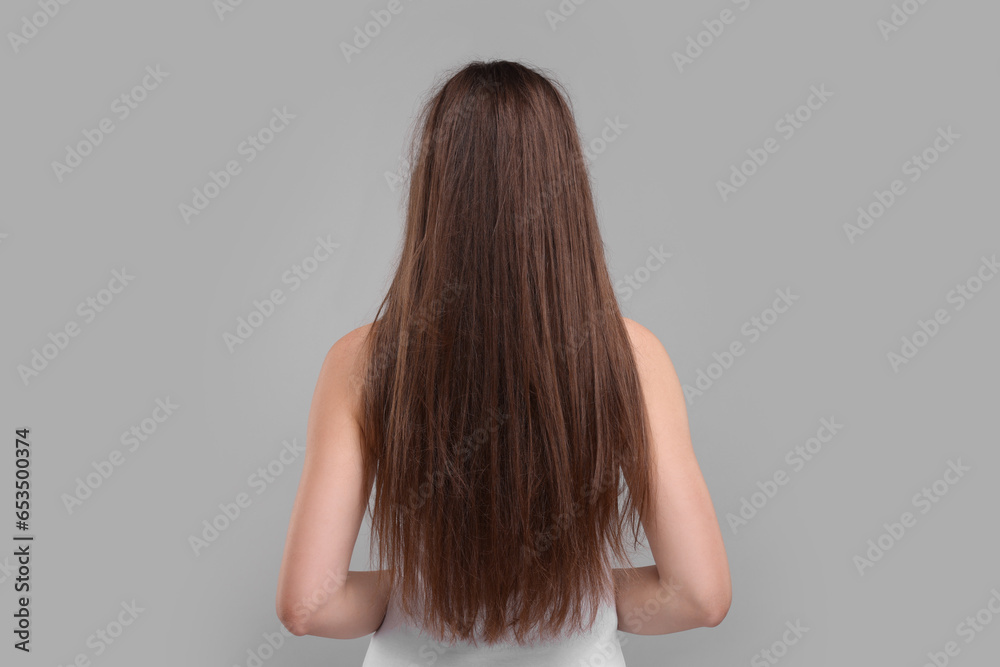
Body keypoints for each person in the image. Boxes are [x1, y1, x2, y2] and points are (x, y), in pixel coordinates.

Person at [275, 59, 731, 666]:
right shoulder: (632, 357)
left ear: (434, 186)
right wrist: (567, 593)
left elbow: (308, 606)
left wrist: (425, 590)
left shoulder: (362, 362)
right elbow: (698, 596)